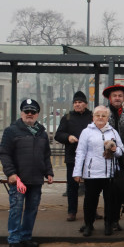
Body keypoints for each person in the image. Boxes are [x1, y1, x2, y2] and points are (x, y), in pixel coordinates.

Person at [0, 98, 54, 247]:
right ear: (21, 113)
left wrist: (48, 172)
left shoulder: (42, 132)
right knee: (16, 209)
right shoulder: (12, 131)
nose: (29, 114)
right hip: (18, 180)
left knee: (31, 209)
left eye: (33, 112)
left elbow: (46, 155)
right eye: (26, 111)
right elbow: (4, 154)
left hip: (36, 179)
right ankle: (14, 240)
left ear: (37, 114)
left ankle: (25, 237)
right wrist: (11, 173)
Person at [72, 104, 124, 237]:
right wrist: (77, 172)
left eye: (104, 116)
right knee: (90, 201)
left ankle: (108, 225)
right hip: (92, 173)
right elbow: (80, 152)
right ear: (93, 117)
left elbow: (121, 150)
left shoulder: (113, 132)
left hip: (109, 174)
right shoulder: (86, 132)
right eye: (98, 115)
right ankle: (89, 225)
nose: (100, 118)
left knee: (110, 201)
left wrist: (115, 150)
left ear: (108, 118)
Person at [53, 90, 92, 223]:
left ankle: (91, 211)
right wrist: (68, 137)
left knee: (92, 186)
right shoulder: (67, 117)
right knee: (72, 186)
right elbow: (58, 134)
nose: (77, 104)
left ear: (86, 104)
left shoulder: (92, 117)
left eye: (80, 102)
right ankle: (72, 211)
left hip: (90, 157)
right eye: (75, 102)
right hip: (72, 156)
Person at [101, 83, 124, 233]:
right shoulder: (104, 113)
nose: (117, 98)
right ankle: (108, 221)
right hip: (105, 157)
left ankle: (116, 219)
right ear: (109, 98)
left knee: (120, 190)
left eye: (120, 96)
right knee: (108, 192)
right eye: (114, 95)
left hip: (122, 157)